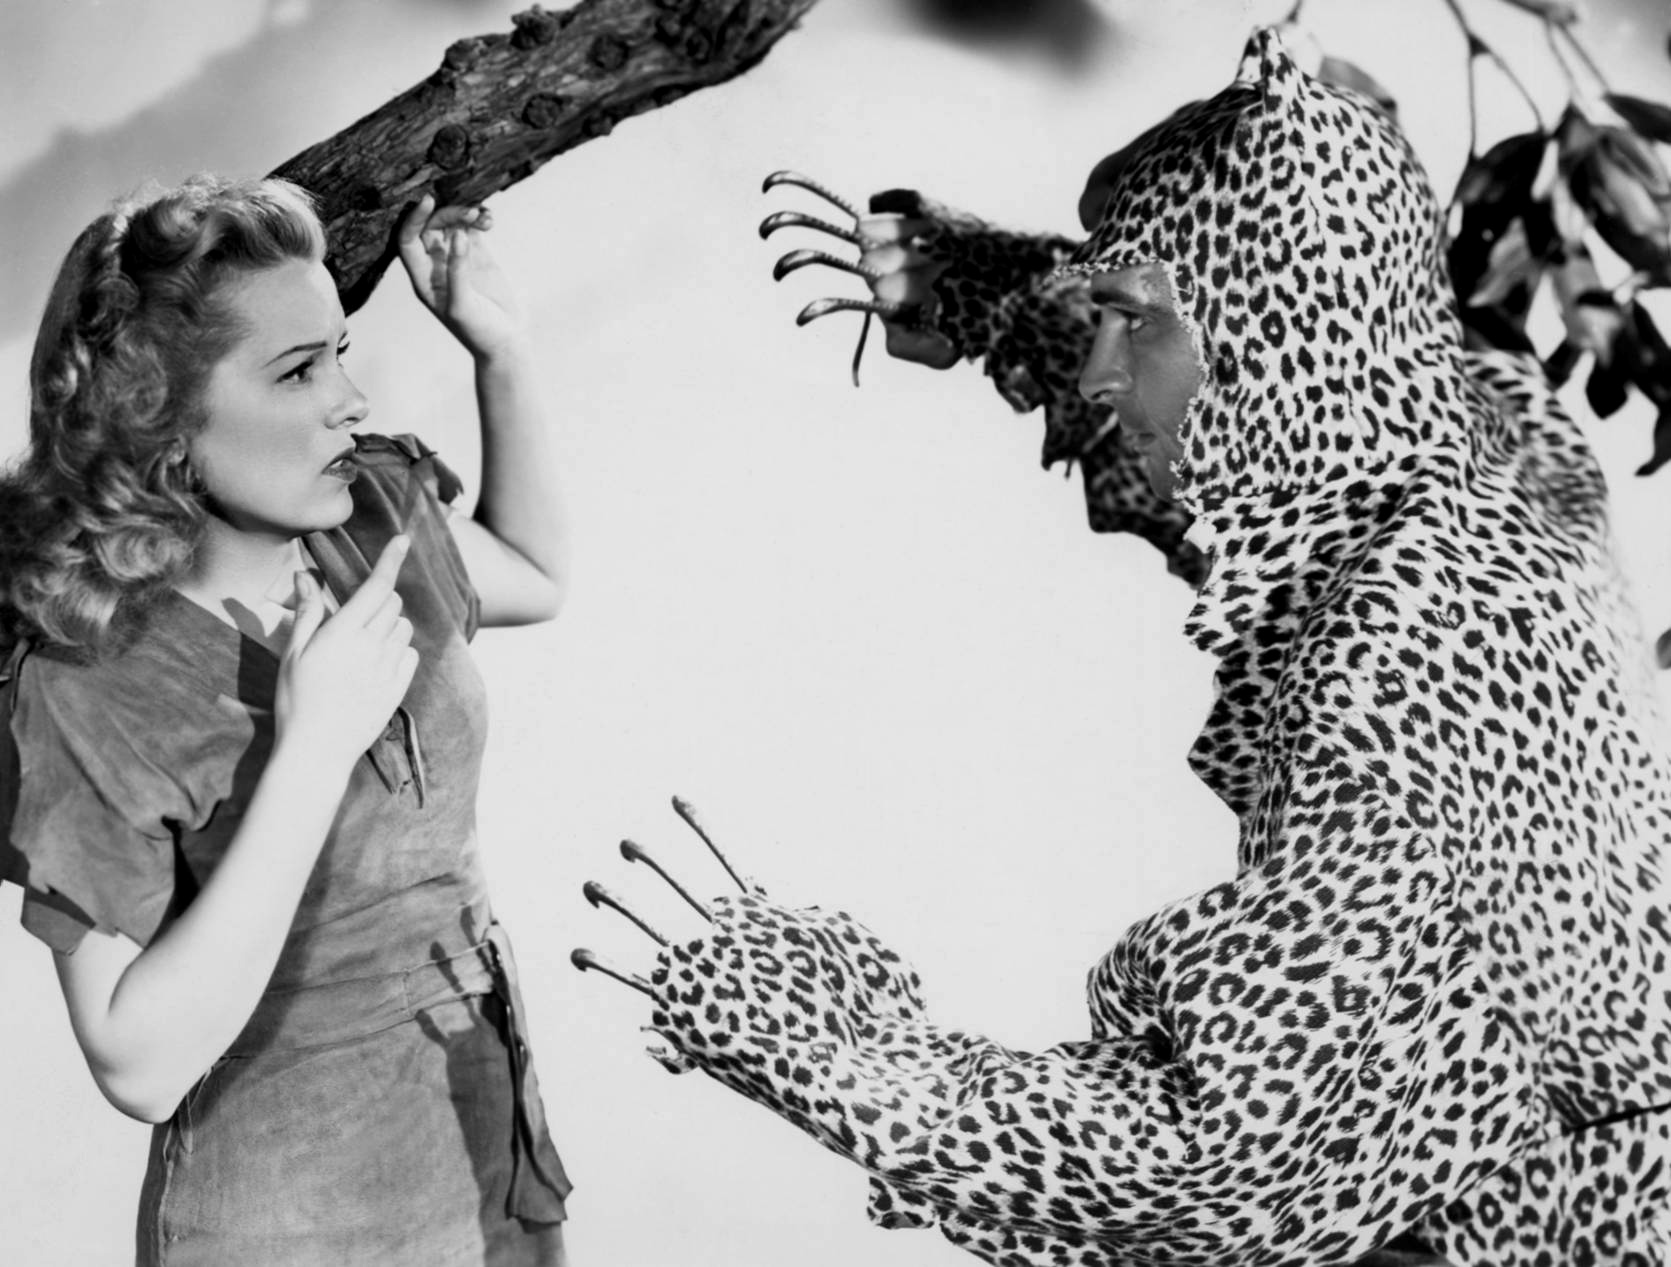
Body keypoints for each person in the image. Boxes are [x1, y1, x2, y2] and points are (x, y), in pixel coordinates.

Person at [581, 28, 1671, 1266]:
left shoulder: (1387, 669)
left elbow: (1227, 1158)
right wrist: (997, 288)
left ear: (1264, 344)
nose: (1101, 372)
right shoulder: (1505, 444)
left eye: (1131, 323)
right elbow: (1292, 419)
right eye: (1101, 317)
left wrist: (826, 1044)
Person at [0, 174, 574, 1264]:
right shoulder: (91, 679)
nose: (350, 399)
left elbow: (535, 575)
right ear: (159, 415)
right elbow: (136, 1063)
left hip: (487, 1169)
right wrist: (313, 745)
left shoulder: (369, 516)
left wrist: (499, 349)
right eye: (300, 369)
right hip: (286, 1224)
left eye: (341, 352)